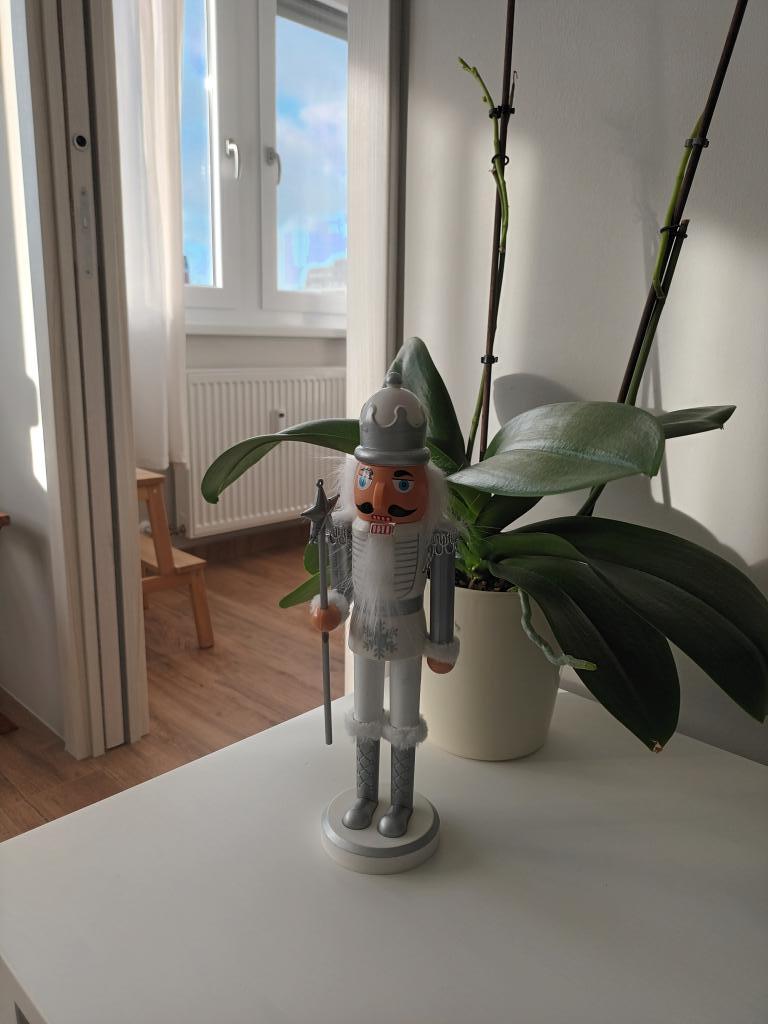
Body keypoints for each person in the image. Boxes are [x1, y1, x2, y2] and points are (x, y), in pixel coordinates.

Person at [310, 371, 459, 838]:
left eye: (401, 483)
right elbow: (340, 585)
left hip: (410, 630)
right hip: (363, 632)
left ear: (424, 483)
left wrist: (440, 642)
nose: (380, 496)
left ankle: (401, 802)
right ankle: (365, 794)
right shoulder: (345, 529)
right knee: (366, 711)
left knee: (406, 715)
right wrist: (330, 607)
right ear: (357, 475)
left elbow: (444, 588)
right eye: (369, 478)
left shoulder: (434, 535)